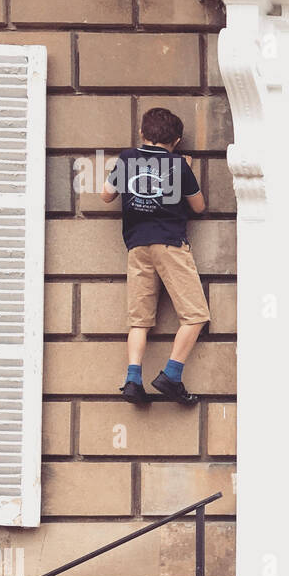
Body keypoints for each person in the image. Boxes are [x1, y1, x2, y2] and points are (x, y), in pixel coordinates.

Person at [101, 107, 209, 406]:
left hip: (137, 246)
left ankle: (133, 379)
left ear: (141, 134)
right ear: (176, 139)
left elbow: (106, 195)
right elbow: (199, 207)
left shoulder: (126, 158)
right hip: (170, 244)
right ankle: (171, 375)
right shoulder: (178, 165)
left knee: (139, 320)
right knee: (196, 315)